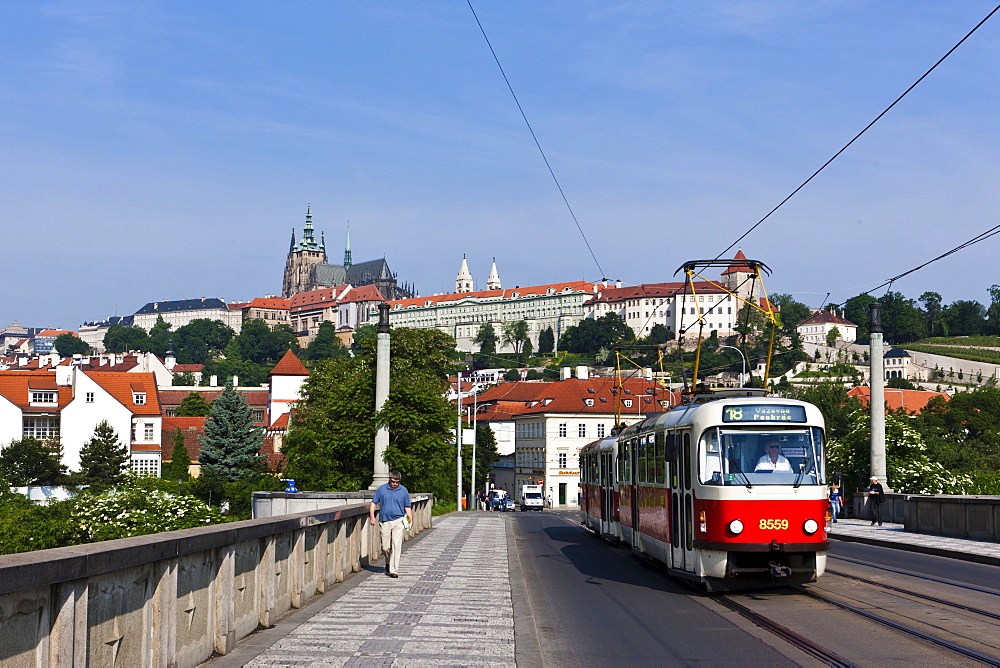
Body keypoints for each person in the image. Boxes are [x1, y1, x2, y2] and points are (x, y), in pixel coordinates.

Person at [369, 471, 413, 578]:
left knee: (396, 545)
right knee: (385, 546)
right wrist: (372, 517)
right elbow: (373, 503)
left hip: (399, 521)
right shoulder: (382, 489)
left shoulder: (403, 490)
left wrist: (410, 520)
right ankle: (388, 561)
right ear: (389, 480)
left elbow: (407, 507)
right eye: (393, 482)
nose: (395, 484)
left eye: (397, 482)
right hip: (385, 521)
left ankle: (394, 570)